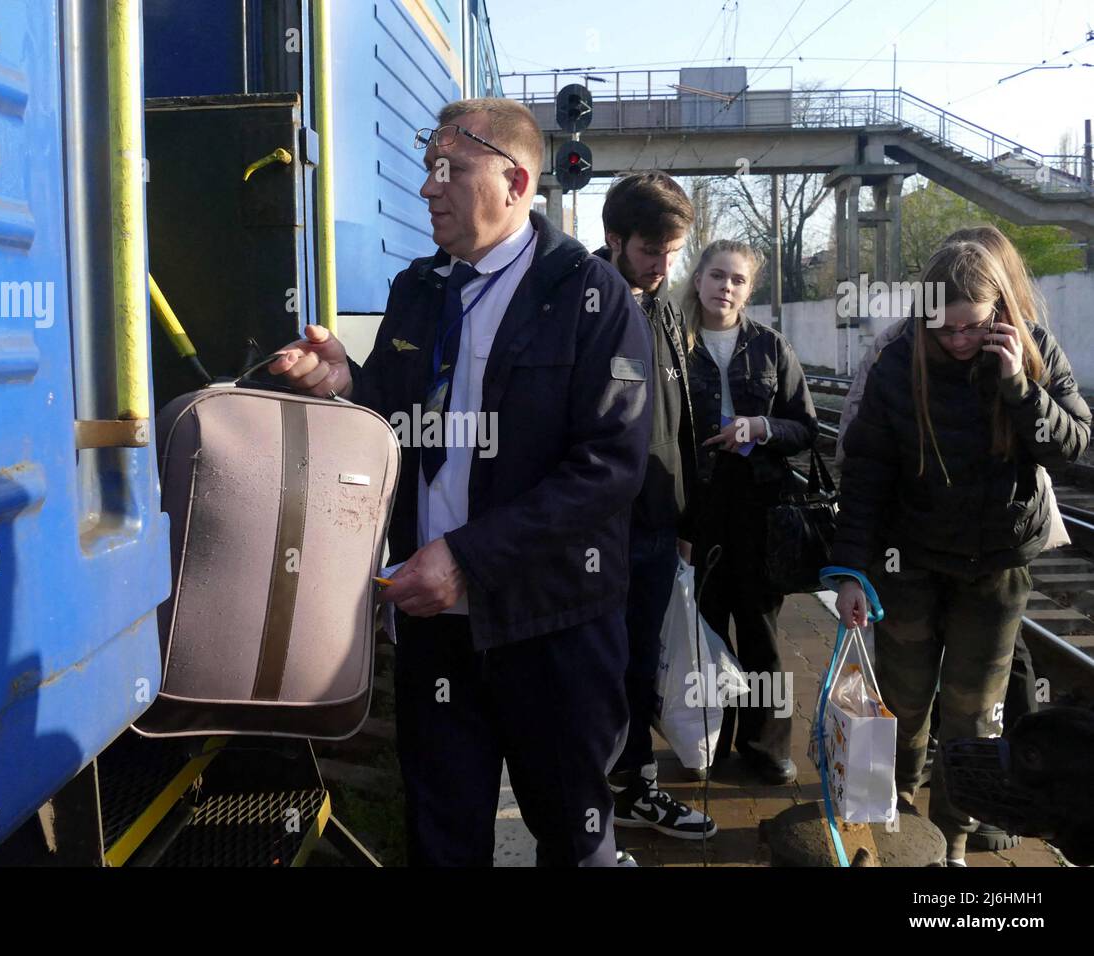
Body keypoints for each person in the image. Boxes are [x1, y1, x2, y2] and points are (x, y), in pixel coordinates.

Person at [268, 98, 653, 866]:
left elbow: (609, 467)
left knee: (576, 841)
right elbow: (399, 425)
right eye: (427, 169)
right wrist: (349, 383)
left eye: (449, 169)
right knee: (441, 843)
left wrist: (468, 559)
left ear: (516, 183)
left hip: (553, 627)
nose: (427, 188)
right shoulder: (419, 290)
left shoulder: (590, 295)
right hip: (435, 630)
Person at [833, 239, 1091, 865]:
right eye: (943, 329)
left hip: (996, 568)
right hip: (910, 563)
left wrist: (1019, 386)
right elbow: (865, 472)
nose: (956, 341)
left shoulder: (1032, 349)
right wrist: (849, 572)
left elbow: (1071, 449)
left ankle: (952, 837)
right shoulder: (899, 360)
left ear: (998, 310)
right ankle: (895, 820)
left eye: (971, 327)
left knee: (974, 713)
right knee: (904, 703)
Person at [593, 173, 715, 838]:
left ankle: (632, 785)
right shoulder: (582, 302)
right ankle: (595, 796)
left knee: (640, 661)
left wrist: (686, 519)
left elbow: (679, 416)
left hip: (658, 526)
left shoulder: (662, 304)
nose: (664, 265)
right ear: (614, 238)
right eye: (650, 250)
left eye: (673, 252)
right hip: (601, 530)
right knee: (600, 665)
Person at [679, 239, 818, 785]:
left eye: (737, 280)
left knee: (761, 632)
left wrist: (760, 427)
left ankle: (766, 745)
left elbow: (804, 429)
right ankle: (709, 739)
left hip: (759, 507)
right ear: (698, 279)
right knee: (704, 631)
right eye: (717, 276)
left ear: (749, 289)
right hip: (696, 506)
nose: (726, 287)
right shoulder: (675, 342)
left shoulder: (770, 347)